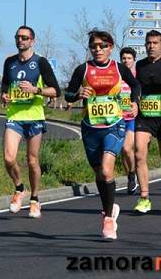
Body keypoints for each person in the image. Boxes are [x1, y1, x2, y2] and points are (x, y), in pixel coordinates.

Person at [65, 30, 140, 240]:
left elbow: (135, 85)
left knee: (107, 170)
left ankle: (108, 218)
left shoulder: (119, 68)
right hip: (90, 128)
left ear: (111, 47)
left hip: (114, 125)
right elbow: (68, 94)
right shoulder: (83, 69)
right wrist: (78, 94)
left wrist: (135, 102)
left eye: (102, 46)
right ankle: (109, 208)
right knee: (99, 173)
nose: (98, 50)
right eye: (94, 46)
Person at [1, 26, 61, 219]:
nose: (21, 40)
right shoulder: (9, 62)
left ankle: (35, 199)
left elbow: (55, 90)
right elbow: (4, 86)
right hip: (15, 116)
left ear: (32, 41)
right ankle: (20, 188)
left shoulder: (41, 62)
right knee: (9, 158)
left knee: (32, 161)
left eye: (25, 37)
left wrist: (36, 90)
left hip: (34, 116)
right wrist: (3, 96)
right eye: (18, 37)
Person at [133, 30, 161, 214]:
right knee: (139, 154)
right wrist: (135, 102)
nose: (151, 46)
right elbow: (137, 87)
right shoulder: (140, 65)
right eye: (148, 43)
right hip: (145, 117)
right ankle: (144, 198)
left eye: (155, 43)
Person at [119, 47, 138, 195]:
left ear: (134, 60)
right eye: (124, 58)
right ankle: (130, 176)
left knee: (127, 148)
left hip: (132, 119)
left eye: (129, 58)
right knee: (123, 152)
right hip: (117, 118)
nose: (126, 61)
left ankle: (132, 174)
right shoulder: (115, 76)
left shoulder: (138, 77)